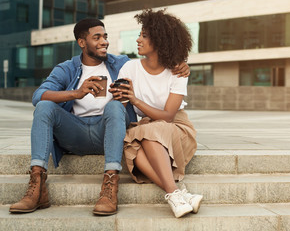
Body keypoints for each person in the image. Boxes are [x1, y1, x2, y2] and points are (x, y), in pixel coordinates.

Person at [8, 18, 190, 216]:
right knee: (44, 107)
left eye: (105, 36)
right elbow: (37, 95)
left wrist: (180, 65)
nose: (104, 41)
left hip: (108, 132)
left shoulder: (121, 64)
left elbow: (154, 62)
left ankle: (110, 186)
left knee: (114, 107)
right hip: (74, 133)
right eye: (97, 37)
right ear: (82, 42)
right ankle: (37, 184)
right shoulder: (66, 68)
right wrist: (77, 92)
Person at [110, 9, 201, 218]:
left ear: (159, 40)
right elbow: (120, 107)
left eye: (144, 35)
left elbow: (169, 115)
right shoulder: (129, 68)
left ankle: (175, 194)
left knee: (150, 131)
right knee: (132, 145)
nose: (138, 39)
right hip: (145, 128)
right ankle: (177, 194)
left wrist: (135, 99)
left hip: (176, 127)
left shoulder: (178, 71)